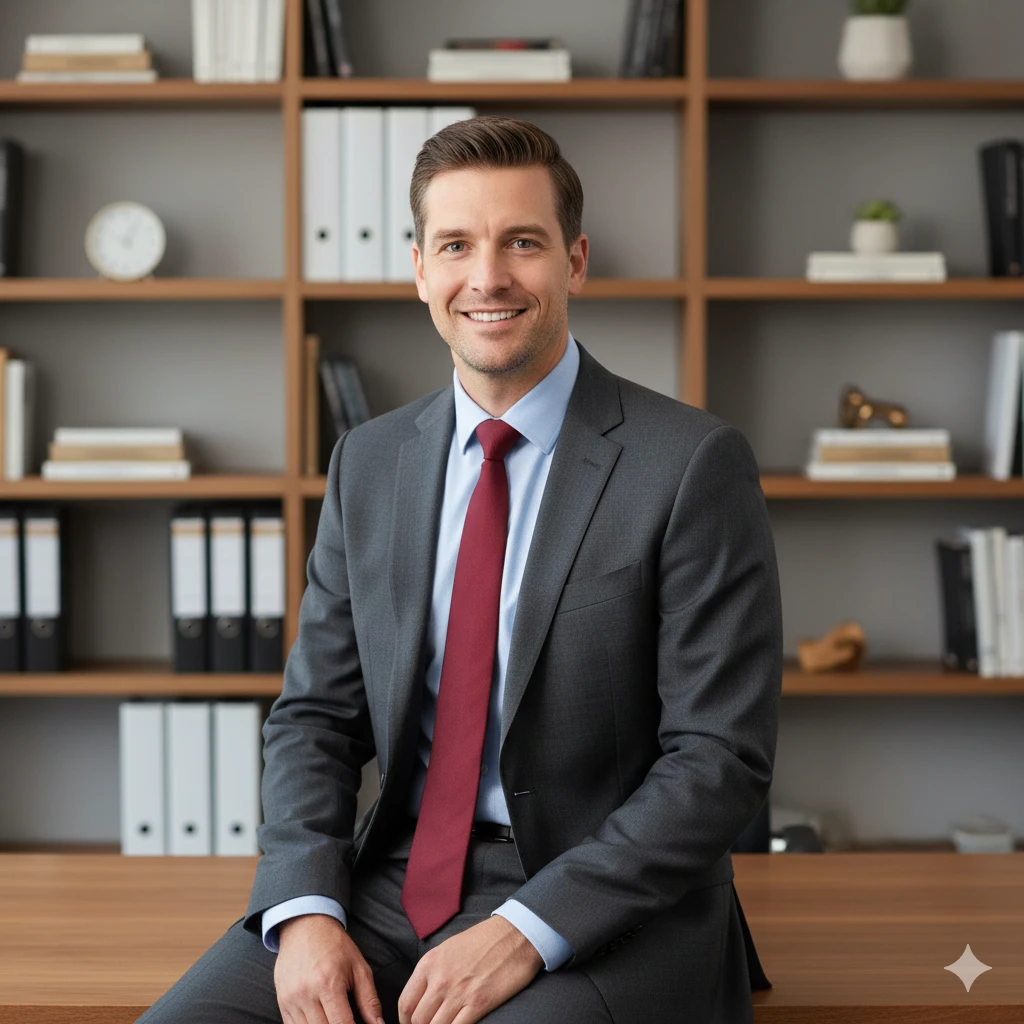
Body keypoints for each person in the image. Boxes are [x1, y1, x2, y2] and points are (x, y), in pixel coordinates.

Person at [137, 114, 782, 1024]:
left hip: (605, 903)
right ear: (420, 271)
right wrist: (306, 911)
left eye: (523, 242)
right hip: (388, 883)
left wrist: (529, 925)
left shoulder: (689, 463)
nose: (488, 277)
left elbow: (720, 759)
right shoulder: (369, 461)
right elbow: (316, 718)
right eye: (456, 245)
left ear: (576, 261)